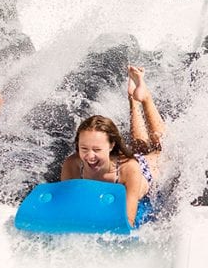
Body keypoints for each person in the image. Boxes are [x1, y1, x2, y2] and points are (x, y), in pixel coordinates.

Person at [60, 66, 166, 226]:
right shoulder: (72, 165)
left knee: (161, 149)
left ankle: (145, 98)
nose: (89, 156)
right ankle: (133, 99)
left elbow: (128, 221)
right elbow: (68, 206)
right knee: (139, 149)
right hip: (125, 164)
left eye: (96, 150)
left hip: (143, 172)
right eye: (84, 149)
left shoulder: (128, 168)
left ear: (111, 146)